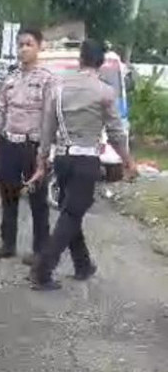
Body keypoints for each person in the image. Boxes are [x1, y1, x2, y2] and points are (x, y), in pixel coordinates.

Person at [28, 40, 138, 290]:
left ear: (81, 59)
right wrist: (129, 162)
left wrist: (42, 162)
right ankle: (42, 270)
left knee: (71, 209)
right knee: (72, 213)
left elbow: (47, 129)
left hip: (63, 159)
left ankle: (83, 264)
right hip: (86, 160)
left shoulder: (58, 89)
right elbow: (115, 133)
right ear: (100, 62)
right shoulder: (104, 92)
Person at [0, 27, 54, 266]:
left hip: (34, 146)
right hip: (9, 144)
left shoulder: (47, 80)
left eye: (29, 44)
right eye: (20, 45)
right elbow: (2, 114)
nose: (23, 49)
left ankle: (41, 250)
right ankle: (8, 244)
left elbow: (50, 118)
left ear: (40, 47)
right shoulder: (10, 79)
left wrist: (45, 153)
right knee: (8, 196)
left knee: (38, 200)